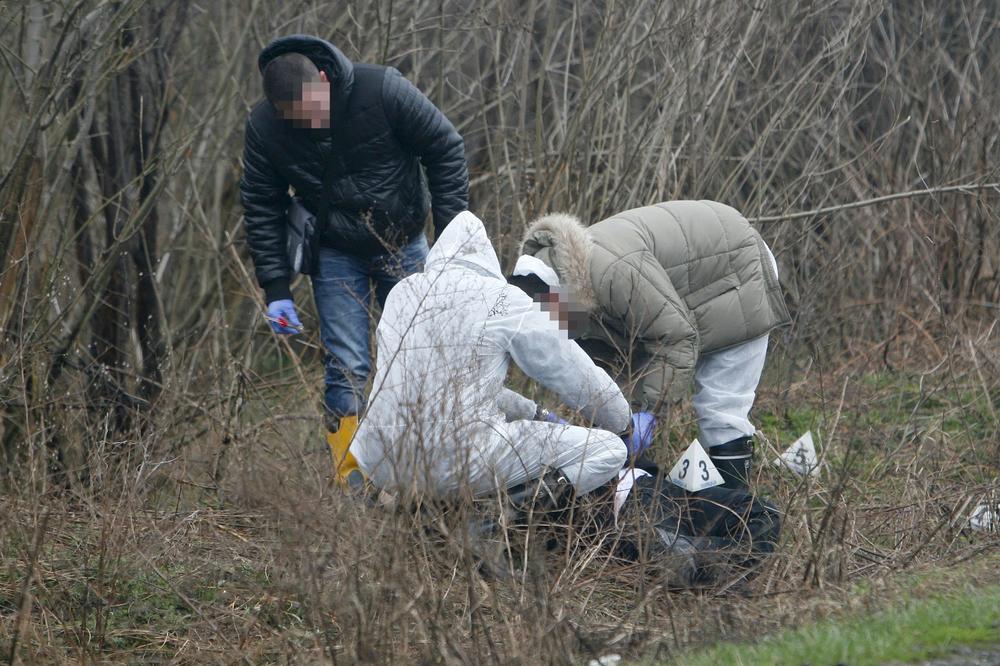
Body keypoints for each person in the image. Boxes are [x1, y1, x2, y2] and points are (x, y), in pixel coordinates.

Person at [239, 35, 469, 483]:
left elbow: (446, 148)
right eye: (297, 119)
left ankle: (439, 471)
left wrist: (451, 242)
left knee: (428, 354)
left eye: (314, 109)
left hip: (401, 243)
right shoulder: (265, 127)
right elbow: (261, 204)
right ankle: (352, 481)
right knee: (346, 367)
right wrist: (276, 288)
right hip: (334, 252)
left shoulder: (381, 90)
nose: (310, 123)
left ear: (323, 80)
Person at [510, 201, 791, 489]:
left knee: (721, 408)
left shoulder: (610, 273)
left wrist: (651, 412)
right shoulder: (552, 289)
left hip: (735, 264)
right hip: (687, 284)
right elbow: (610, 363)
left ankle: (738, 517)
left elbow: (676, 338)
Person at [351, 211, 632, 499]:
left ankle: (411, 511)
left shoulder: (403, 293)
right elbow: (568, 368)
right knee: (609, 451)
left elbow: (445, 391)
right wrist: (622, 422)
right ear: (486, 258)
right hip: (458, 460)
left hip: (380, 457)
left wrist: (537, 413)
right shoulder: (500, 298)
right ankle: (502, 517)